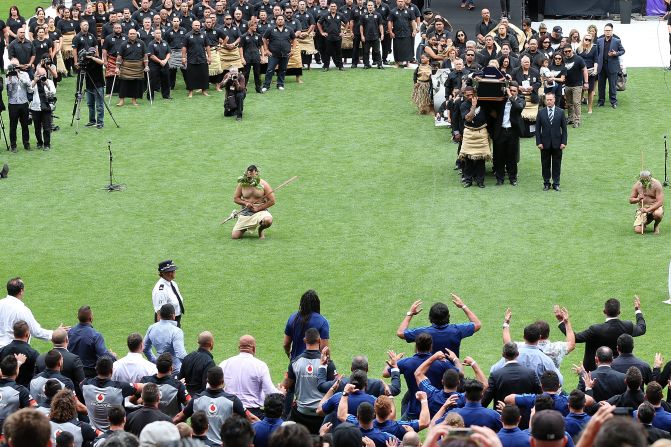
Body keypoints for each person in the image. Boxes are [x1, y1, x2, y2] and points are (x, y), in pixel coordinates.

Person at [559, 297, 646, 372]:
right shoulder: (628, 326)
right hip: (619, 372)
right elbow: (642, 329)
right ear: (619, 312)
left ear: (604, 311)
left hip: (595, 373)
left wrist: (563, 323)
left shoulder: (595, 330)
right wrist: (637, 309)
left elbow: (576, 338)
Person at [282, 327, 336, 434]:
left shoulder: (295, 362)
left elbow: (286, 386)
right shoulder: (328, 363)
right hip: (321, 415)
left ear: (304, 340)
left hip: (301, 414)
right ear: (319, 341)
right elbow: (334, 387)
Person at [173, 367, 246, 445]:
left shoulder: (196, 399)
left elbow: (178, 418)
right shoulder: (233, 401)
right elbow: (250, 420)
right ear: (222, 381)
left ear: (207, 381)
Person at [219, 335, 281, 418]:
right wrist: (281, 393)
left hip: (229, 412)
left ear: (239, 348)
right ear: (254, 349)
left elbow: (213, 387)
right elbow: (270, 392)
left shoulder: (224, 364)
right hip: (252, 414)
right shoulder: (260, 365)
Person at [397, 295, 480, 357]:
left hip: (429, 376)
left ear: (430, 317)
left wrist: (410, 314)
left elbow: (400, 333)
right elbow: (477, 324)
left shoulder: (422, 333)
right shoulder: (457, 330)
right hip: (452, 377)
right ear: (449, 316)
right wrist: (463, 306)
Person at [81, 357, 142, 430]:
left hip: (94, 434)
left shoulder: (85, 385)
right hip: (114, 433)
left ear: (96, 369)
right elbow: (142, 387)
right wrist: (137, 395)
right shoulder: (120, 387)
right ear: (112, 370)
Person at [0, 278, 62, 349]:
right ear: (21, 291)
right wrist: (55, 334)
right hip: (13, 352)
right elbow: (36, 332)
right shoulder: (22, 310)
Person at [482, 343, 541, 408]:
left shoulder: (495, 375)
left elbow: (486, 400)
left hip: (503, 416)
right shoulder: (531, 373)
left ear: (503, 355)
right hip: (526, 416)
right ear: (518, 354)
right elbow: (540, 395)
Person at [492, 82, 525, 186]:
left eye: (514, 91)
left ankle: (513, 178)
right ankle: (500, 179)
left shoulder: (520, 100)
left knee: (512, 157)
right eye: (510, 90)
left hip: (513, 132)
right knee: (499, 156)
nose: (512, 92)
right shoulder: (501, 100)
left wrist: (511, 97)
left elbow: (519, 108)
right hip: (501, 131)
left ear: (517, 92)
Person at [231, 165, 276, 239]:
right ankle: (246, 227)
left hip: (261, 211)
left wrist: (258, 208)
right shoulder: (242, 184)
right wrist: (245, 203)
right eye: (249, 176)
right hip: (246, 211)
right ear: (246, 174)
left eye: (252, 176)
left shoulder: (263, 184)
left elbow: (272, 201)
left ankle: (260, 230)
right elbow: (236, 198)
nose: (250, 179)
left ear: (257, 174)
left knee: (268, 220)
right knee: (235, 236)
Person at [284, 289, 330, 361]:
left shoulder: (292, 318)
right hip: (315, 367)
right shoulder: (323, 321)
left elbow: (286, 344)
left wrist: (289, 354)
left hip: (295, 365)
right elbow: (324, 349)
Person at [143, 304, 188, 376]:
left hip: (159, 369)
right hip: (175, 372)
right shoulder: (176, 331)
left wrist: (154, 360)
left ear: (160, 315)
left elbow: (145, 348)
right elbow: (180, 354)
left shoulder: (152, 328)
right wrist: (190, 365)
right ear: (173, 316)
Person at [535, 92, 567, 191]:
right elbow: (537, 129)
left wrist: (564, 142)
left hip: (558, 143)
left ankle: (556, 183)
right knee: (545, 164)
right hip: (544, 144)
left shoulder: (561, 112)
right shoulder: (541, 112)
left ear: (554, 100)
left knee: (557, 164)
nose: (548, 101)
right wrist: (539, 142)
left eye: (550, 99)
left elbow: (564, 129)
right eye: (547, 100)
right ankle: (546, 183)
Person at [141, 353, 190, 417]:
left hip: (149, 422)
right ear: (171, 368)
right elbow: (190, 403)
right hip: (171, 424)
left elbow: (134, 401)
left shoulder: (144, 382)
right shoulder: (178, 386)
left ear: (156, 366)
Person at [459, 86, 491, 188]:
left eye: (471, 94)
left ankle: (480, 181)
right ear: (464, 95)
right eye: (467, 95)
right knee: (468, 158)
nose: (469, 96)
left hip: (481, 132)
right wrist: (473, 106)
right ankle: (468, 180)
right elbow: (468, 118)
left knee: (481, 158)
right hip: (469, 132)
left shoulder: (483, 102)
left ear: (475, 93)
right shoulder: (464, 105)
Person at [0, 355, 37, 433]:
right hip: (8, 434)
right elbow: (34, 409)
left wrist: (18, 364)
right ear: (17, 371)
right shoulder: (21, 391)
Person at [262, 15, 296, 91]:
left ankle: (280, 84)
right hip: (273, 54)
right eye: (279, 19)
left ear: (284, 21)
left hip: (285, 53)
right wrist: (266, 50)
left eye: (281, 19)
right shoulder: (270, 29)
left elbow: (294, 39)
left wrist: (293, 50)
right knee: (270, 69)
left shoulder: (289, 29)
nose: (280, 20)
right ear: (276, 21)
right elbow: (264, 38)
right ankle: (266, 85)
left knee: (283, 69)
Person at [0, 321, 40, 387]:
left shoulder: (2, 350)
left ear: (14, 334)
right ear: (27, 334)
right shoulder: (33, 354)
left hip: (4, 389)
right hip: (25, 392)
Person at [115, 28, 148, 106]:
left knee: (136, 84)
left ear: (136, 35)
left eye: (134, 34)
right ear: (128, 35)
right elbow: (119, 57)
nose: (132, 35)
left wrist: (146, 66)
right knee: (123, 84)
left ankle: (134, 100)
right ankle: (121, 101)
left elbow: (145, 56)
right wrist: (117, 67)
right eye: (131, 34)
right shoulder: (123, 44)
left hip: (138, 67)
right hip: (126, 67)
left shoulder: (142, 43)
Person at [5, 62, 32, 152]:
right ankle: (13, 145)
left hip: (23, 103)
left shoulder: (25, 74)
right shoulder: (8, 75)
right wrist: (10, 80)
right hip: (13, 104)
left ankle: (26, 144)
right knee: (13, 125)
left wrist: (19, 78)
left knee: (25, 125)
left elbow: (29, 87)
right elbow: (9, 93)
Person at [179, 331, 216, 397]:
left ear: (198, 342)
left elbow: (180, 380)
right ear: (211, 344)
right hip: (199, 401)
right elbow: (206, 387)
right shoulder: (209, 362)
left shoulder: (187, 357)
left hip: (185, 398)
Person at [596, 23, 625, 108]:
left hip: (612, 66)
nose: (607, 32)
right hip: (601, 66)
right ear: (604, 31)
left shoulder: (617, 41)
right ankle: (601, 101)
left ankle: (613, 101)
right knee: (601, 85)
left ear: (612, 31)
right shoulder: (599, 41)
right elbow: (597, 53)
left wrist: (616, 53)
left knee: (612, 85)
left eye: (609, 30)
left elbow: (623, 51)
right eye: (606, 30)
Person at [151, 260, 185, 326]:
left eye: (173, 270)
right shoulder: (160, 290)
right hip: (167, 323)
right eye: (169, 271)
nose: (172, 273)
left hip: (175, 320)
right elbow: (159, 312)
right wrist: (162, 330)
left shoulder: (172, 283)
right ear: (163, 273)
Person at [629, 171, 665, 235]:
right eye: (643, 180)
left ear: (650, 177)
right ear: (640, 178)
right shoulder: (637, 185)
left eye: (646, 180)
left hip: (654, 207)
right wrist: (638, 199)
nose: (644, 182)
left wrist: (648, 210)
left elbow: (660, 202)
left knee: (658, 214)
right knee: (638, 231)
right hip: (643, 208)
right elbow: (631, 200)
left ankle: (656, 225)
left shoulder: (656, 184)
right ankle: (644, 222)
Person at [561, 46, 588, 128]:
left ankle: (577, 120)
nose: (567, 52)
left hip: (577, 85)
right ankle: (570, 118)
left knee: (576, 103)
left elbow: (585, 70)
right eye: (565, 51)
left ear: (572, 50)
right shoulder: (563, 60)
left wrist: (586, 82)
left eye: (569, 51)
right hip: (567, 85)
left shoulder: (579, 59)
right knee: (569, 103)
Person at [81, 47, 106, 129]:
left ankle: (100, 122)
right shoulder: (86, 60)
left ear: (96, 53)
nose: (91, 53)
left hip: (98, 85)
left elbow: (102, 62)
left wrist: (92, 57)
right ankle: (92, 121)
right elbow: (79, 67)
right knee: (90, 104)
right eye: (90, 52)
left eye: (93, 52)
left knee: (99, 105)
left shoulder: (97, 59)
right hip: (89, 85)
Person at [387, 0, 416, 68]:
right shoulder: (392, 11)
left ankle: (408, 62)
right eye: (399, 1)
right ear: (396, 2)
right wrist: (391, 32)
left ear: (404, 2)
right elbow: (389, 22)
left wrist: (414, 30)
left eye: (402, 1)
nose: (400, 2)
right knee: (397, 48)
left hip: (407, 32)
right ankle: (397, 63)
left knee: (408, 48)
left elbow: (413, 21)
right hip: (396, 33)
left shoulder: (409, 11)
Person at [146, 28, 172, 100]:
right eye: (157, 33)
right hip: (154, 65)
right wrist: (160, 61)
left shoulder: (165, 43)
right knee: (153, 81)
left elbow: (169, 52)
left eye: (159, 33)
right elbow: (151, 55)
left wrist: (166, 60)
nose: (158, 34)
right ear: (154, 34)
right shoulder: (151, 44)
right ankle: (150, 97)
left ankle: (166, 96)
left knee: (166, 80)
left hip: (165, 64)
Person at [359, 1, 383, 69]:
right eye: (369, 5)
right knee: (366, 52)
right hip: (366, 37)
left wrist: (382, 34)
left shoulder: (378, 15)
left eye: (371, 5)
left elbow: (380, 25)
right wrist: (362, 35)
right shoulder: (363, 15)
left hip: (375, 36)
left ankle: (379, 64)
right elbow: (361, 26)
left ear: (373, 6)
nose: (370, 6)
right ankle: (366, 64)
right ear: (367, 6)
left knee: (377, 51)